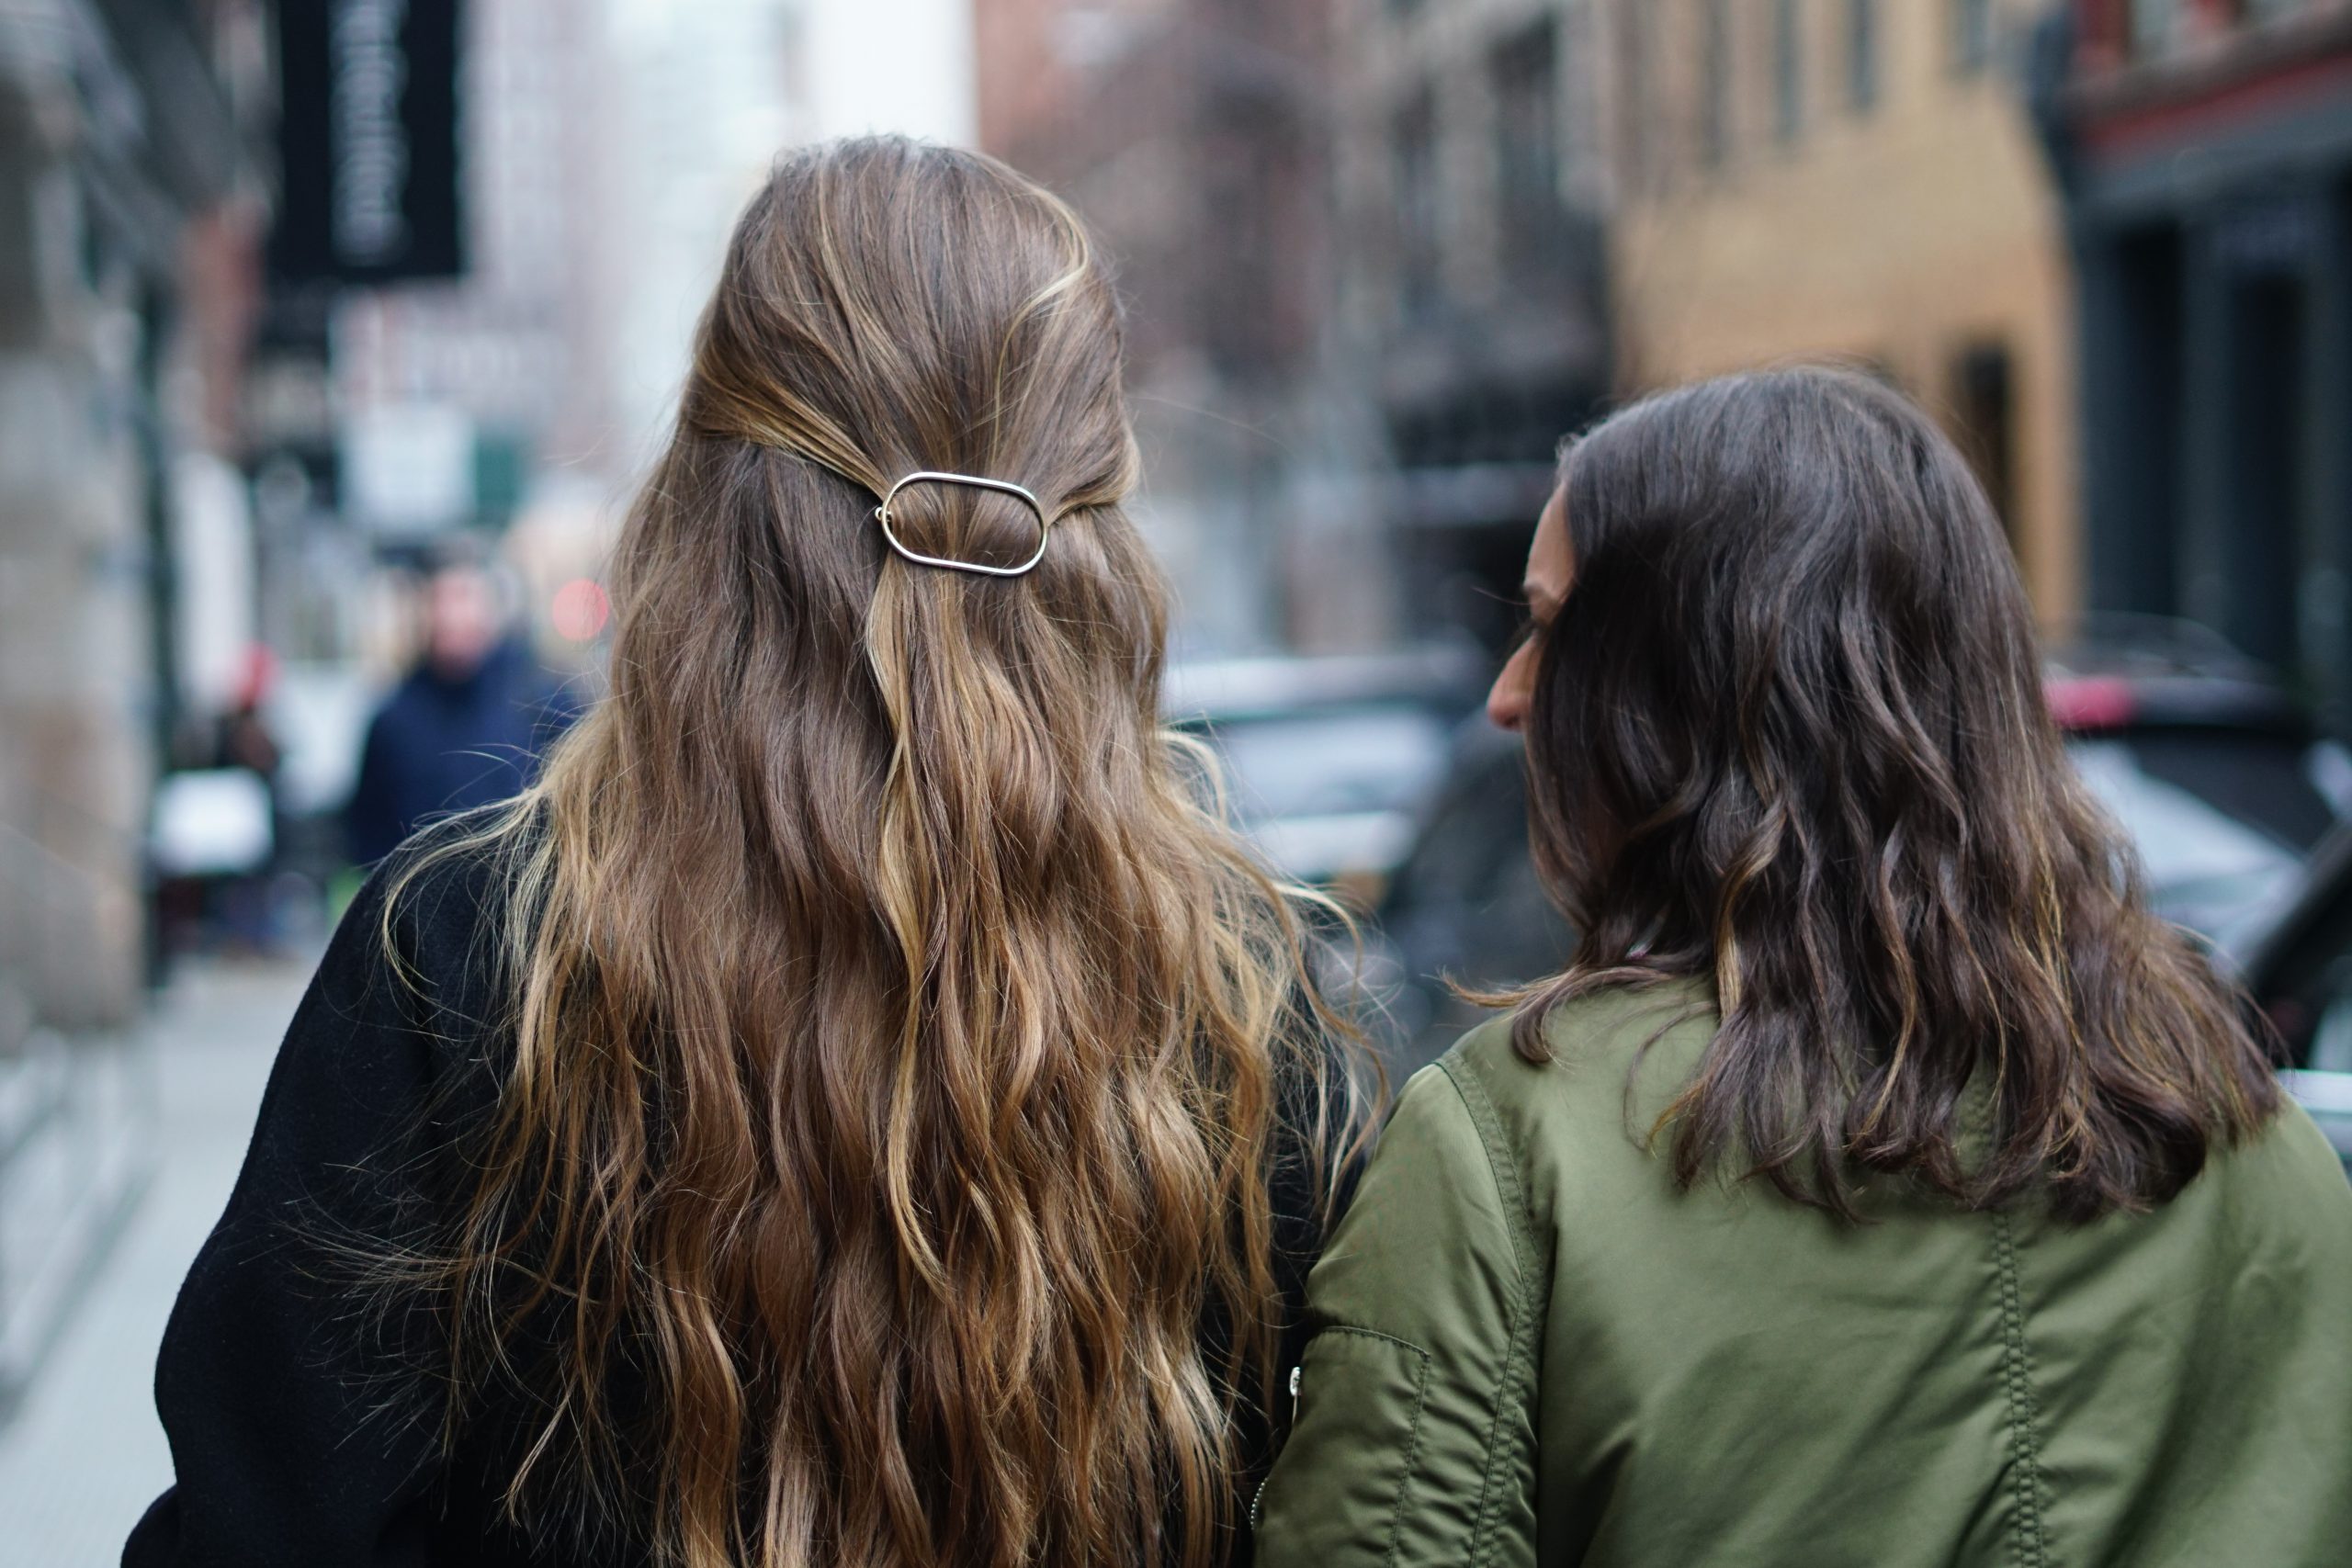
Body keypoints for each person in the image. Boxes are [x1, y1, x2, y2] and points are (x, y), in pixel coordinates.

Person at [127, 139, 1366, 1568]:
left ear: (707, 506)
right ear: (1098, 523)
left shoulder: (471, 954)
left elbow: (258, 1526)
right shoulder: (1243, 996)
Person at [1255, 367, 2352, 1566]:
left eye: (1554, 625)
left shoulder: (1509, 1152)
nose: (1510, 691)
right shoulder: (2253, 1140)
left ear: (1687, 682)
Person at [343, 543, 582, 866]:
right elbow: (370, 840)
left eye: (464, 597)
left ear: (491, 607)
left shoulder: (543, 698)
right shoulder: (394, 720)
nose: (452, 616)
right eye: (439, 601)